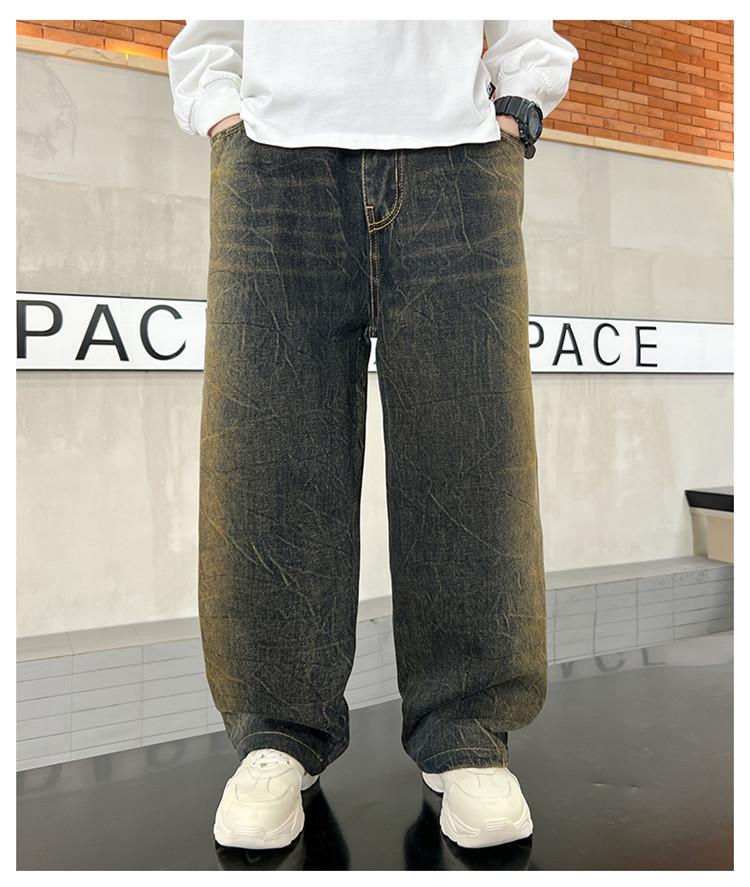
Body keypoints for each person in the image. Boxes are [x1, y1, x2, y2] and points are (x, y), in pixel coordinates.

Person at [167, 19, 578, 852]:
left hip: (457, 154)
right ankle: (277, 731)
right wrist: (218, 106)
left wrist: (521, 98)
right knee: (266, 453)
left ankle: (468, 731)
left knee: (474, 450)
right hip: (274, 156)